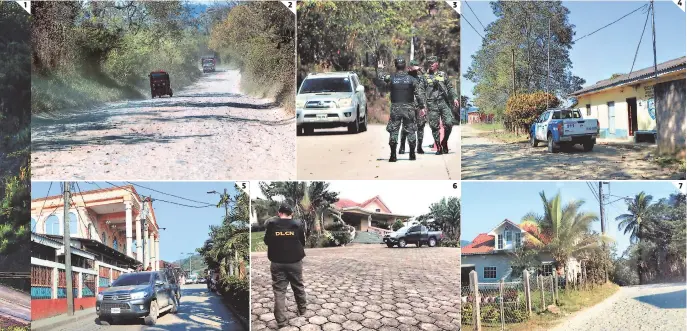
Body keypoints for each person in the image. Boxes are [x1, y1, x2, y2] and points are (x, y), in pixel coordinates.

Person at [264, 204, 307, 328]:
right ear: (291, 214)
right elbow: (302, 242)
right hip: (295, 262)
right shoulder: (298, 224)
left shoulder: (272, 225)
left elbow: (267, 241)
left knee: (279, 291)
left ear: (279, 213)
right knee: (298, 286)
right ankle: (302, 310)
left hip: (277, 263)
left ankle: (281, 321)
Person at [382, 56, 425, 162]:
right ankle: (411, 154)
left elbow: (381, 77)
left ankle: (393, 155)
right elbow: (418, 95)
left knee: (394, 131)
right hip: (409, 108)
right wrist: (422, 107)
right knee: (411, 130)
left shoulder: (391, 78)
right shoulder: (411, 79)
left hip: (395, 108)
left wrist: (380, 68)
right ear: (405, 66)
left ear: (396, 65)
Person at [423, 56, 459, 155]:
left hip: (443, 102)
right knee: (434, 126)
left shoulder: (443, 75)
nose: (431, 64)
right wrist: (422, 106)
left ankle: (444, 141)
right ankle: (439, 147)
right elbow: (421, 91)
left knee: (449, 123)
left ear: (437, 64)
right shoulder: (425, 77)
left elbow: (450, 87)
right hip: (432, 104)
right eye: (429, 62)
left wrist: (455, 98)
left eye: (433, 63)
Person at [399, 59, 427, 155]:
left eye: (416, 67)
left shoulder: (421, 78)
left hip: (419, 106)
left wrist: (421, 70)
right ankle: (402, 145)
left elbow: (428, 79)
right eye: (413, 67)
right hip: (407, 105)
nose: (415, 69)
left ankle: (419, 147)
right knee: (406, 126)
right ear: (409, 67)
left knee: (421, 125)